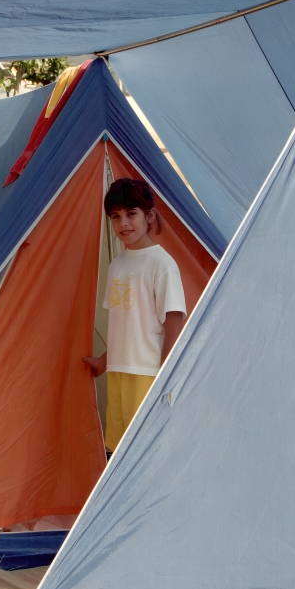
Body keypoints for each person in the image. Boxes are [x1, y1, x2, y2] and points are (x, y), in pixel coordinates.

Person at [84, 178, 187, 454]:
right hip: (118, 370)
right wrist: (103, 362)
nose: (123, 223)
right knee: (117, 446)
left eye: (131, 213)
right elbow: (125, 325)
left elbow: (174, 321)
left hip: (146, 372)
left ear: (149, 216)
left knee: (143, 449)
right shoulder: (117, 265)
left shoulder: (162, 264)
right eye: (115, 216)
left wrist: (165, 373)